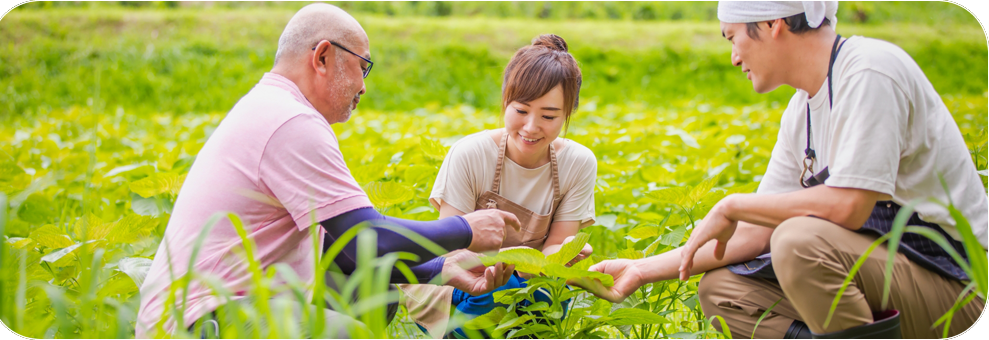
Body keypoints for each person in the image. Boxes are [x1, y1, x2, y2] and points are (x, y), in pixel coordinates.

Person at [573, 2, 987, 339]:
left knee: (798, 241)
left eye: (733, 38)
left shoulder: (870, 70)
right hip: (885, 272)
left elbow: (849, 206)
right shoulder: (802, 111)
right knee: (725, 291)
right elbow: (756, 232)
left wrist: (733, 204)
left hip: (956, 283)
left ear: (772, 23)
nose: (734, 57)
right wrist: (642, 270)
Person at [134, 4, 521, 338]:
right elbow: (365, 239)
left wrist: (442, 268)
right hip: (199, 320)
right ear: (322, 57)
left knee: (373, 290)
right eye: (362, 67)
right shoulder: (289, 121)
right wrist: (467, 230)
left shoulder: (273, 108)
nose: (363, 87)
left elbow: (342, 253)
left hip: (213, 307)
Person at [398, 34, 599, 339]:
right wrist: (522, 261)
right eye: (520, 111)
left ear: (568, 113)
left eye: (548, 116)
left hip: (530, 278)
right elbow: (453, 255)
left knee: (551, 294)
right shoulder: (471, 154)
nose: (531, 127)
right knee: (502, 288)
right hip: (461, 280)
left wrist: (565, 256)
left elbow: (555, 247)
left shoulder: (578, 162)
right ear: (505, 101)